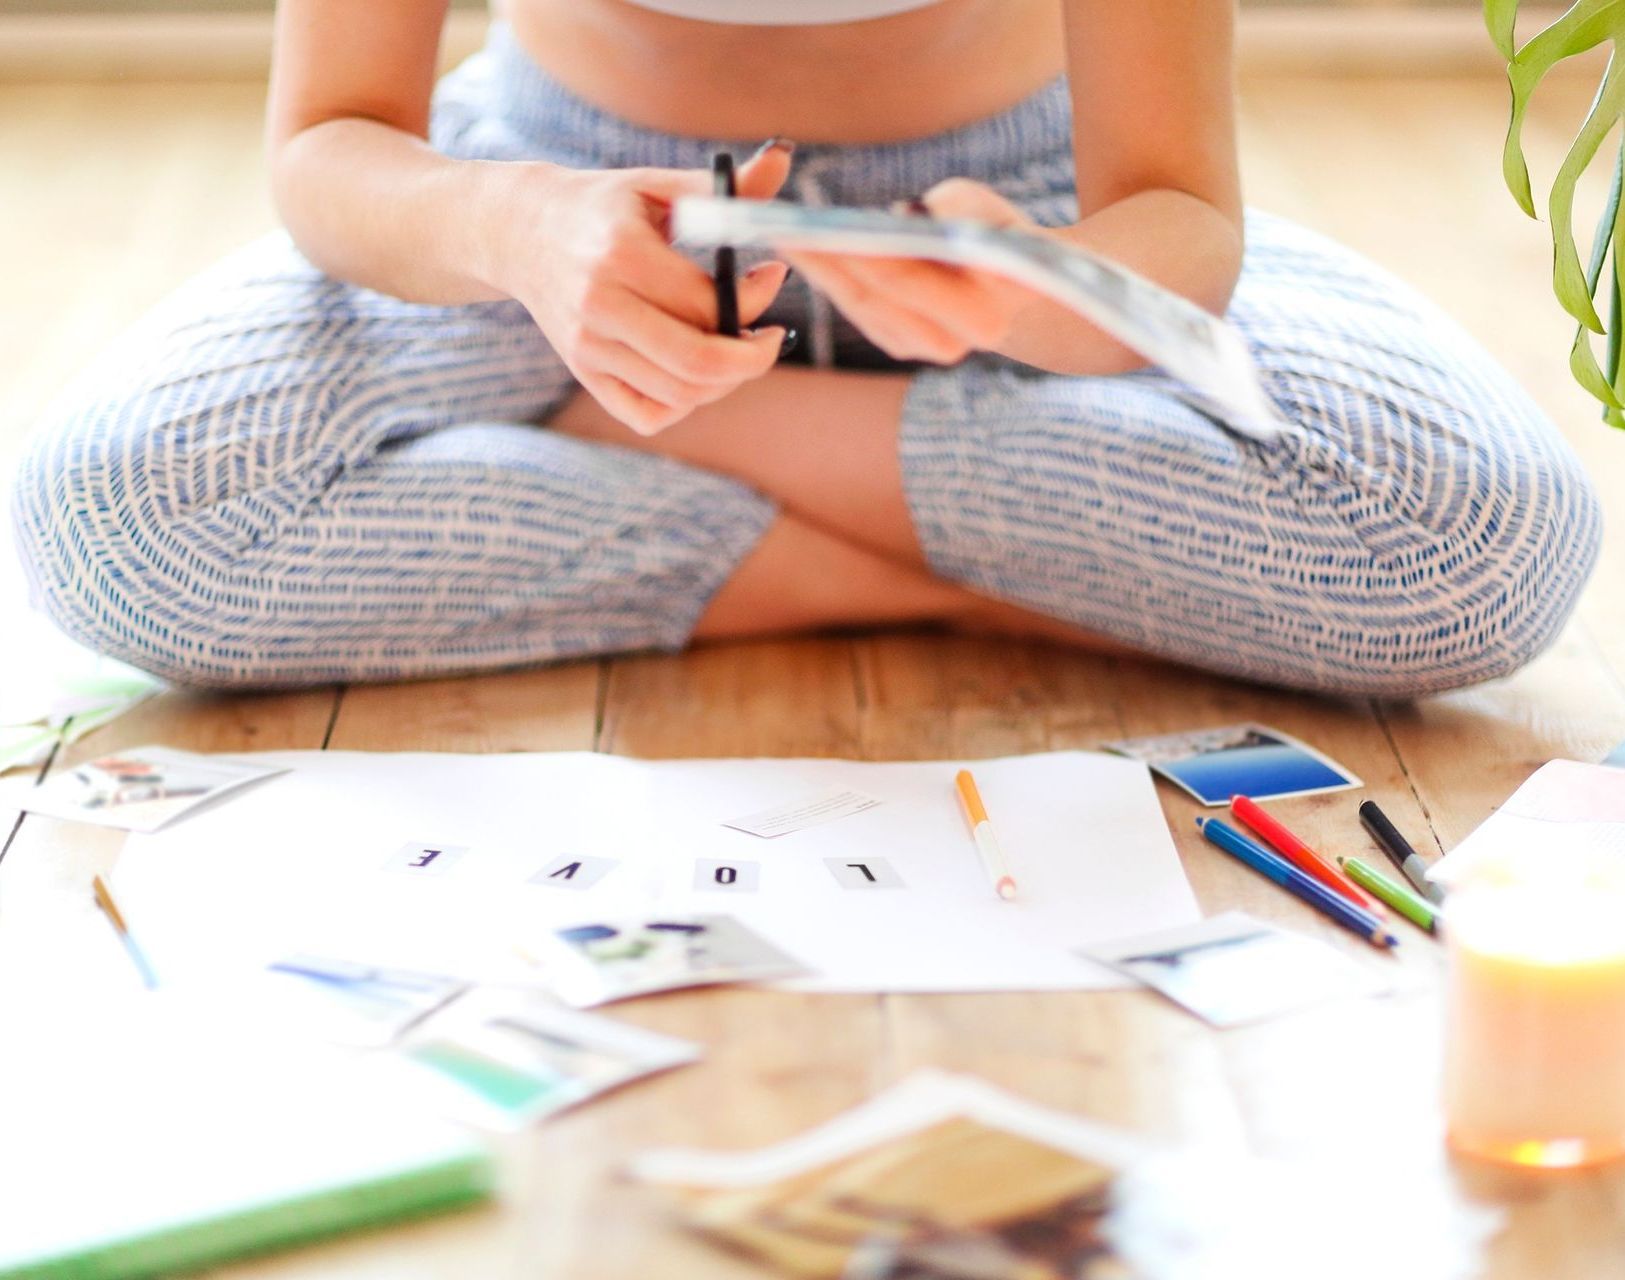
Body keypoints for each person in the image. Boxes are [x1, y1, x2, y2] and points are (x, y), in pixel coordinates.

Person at [9, 0, 1603, 694]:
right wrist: (520, 235)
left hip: (1024, 206)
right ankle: (985, 573)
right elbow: (331, 146)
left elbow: (1173, 212)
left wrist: (1037, 299)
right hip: (566, 206)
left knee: (1475, 552)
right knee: (117, 522)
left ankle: (663, 429)